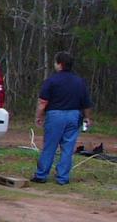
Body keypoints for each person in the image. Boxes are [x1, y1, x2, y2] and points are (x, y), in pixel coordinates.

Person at [33, 52, 94, 185]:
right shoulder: (79, 81)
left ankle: (41, 175)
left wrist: (39, 116)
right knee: (68, 148)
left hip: (55, 115)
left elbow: (43, 101)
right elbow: (86, 103)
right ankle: (63, 177)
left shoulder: (52, 80)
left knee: (50, 146)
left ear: (60, 64)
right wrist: (88, 118)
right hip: (74, 115)